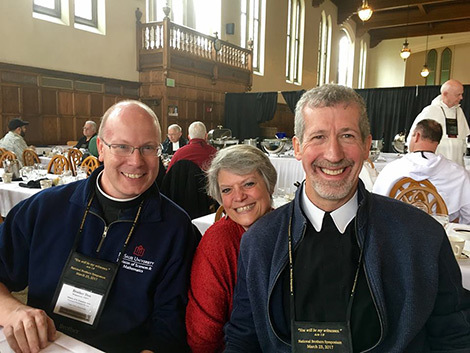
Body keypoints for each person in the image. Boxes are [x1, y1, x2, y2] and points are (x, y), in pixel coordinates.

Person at [224, 84, 470, 352]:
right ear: (297, 147)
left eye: (347, 136)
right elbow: (243, 339)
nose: (333, 154)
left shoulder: (422, 236)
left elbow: (454, 338)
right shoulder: (260, 241)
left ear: (366, 146)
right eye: (318, 137)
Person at [0, 100, 198, 353]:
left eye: (148, 148)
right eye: (122, 147)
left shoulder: (176, 228)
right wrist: (14, 311)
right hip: (45, 346)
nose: (136, 161)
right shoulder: (44, 208)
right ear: (101, 149)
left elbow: (170, 325)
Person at [186, 144, 277, 353]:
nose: (239, 197)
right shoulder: (219, 241)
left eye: (248, 184)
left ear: (269, 185)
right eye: (227, 190)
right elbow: (203, 336)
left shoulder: (289, 230)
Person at [374, 119, 470, 224]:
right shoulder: (459, 174)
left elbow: (375, 206)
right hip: (439, 237)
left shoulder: (391, 170)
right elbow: (468, 215)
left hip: (396, 235)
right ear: (437, 141)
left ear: (417, 136)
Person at [407, 79, 469, 166]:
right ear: (445, 94)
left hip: (456, 165)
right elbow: (414, 138)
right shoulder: (431, 111)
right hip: (436, 166)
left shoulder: (459, 112)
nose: (461, 98)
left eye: (461, 94)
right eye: (458, 95)